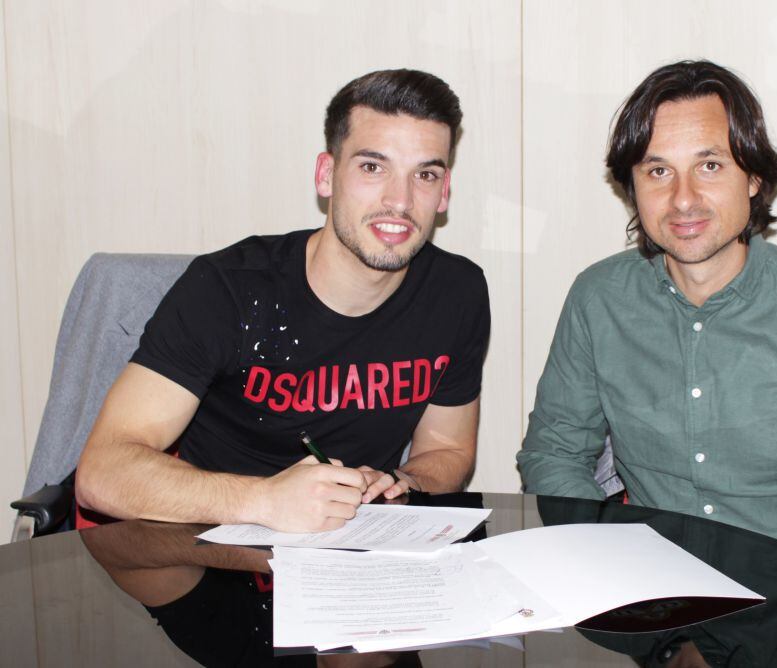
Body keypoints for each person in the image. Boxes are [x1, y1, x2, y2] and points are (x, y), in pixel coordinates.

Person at [518, 60, 777, 580]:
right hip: (650, 595)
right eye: (658, 171)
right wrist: (608, 555)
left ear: (754, 179)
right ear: (632, 186)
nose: (682, 198)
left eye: (710, 166)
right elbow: (554, 453)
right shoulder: (599, 299)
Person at [77, 69, 490, 533]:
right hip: (206, 547)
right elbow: (101, 473)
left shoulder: (457, 292)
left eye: (425, 174)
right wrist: (266, 500)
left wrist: (402, 482)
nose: (400, 200)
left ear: (444, 192)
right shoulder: (229, 289)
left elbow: (447, 451)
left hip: (352, 554)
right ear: (327, 175)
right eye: (372, 167)